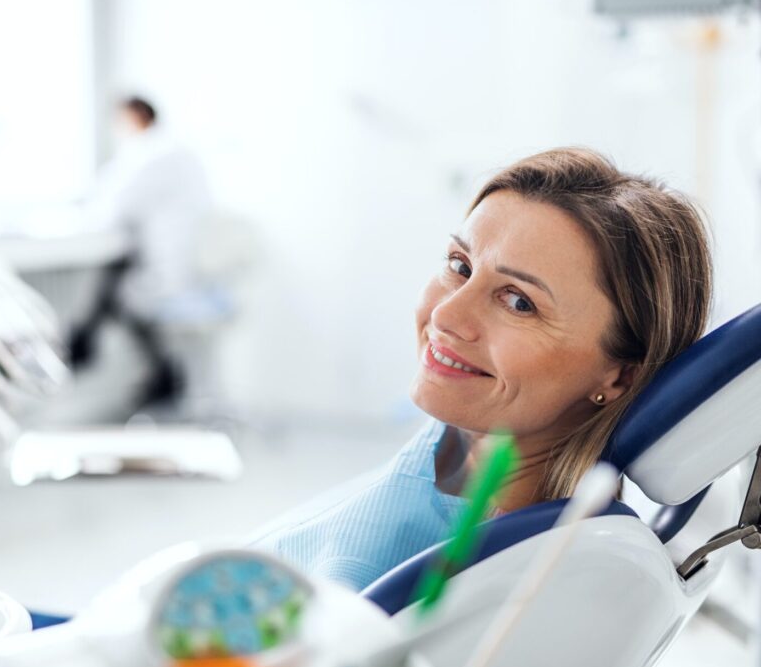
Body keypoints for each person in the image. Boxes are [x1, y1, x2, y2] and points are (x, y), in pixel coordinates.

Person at [250, 148, 713, 591]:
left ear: (620, 377)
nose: (446, 316)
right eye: (460, 265)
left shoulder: (407, 569)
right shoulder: (457, 452)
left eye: (518, 302)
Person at [68, 96, 211, 408]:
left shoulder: (152, 154)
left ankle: (83, 346)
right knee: (112, 281)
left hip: (169, 268)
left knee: (117, 290)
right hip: (172, 259)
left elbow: (114, 207)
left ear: (135, 116)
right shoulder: (170, 150)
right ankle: (88, 344)